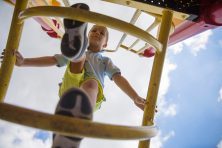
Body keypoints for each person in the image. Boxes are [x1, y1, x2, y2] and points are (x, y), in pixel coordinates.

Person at [1, 3, 146, 148]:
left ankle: (71, 131)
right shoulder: (80, 51)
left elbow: (118, 78)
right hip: (70, 85)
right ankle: (76, 47)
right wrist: (24, 62)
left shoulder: (105, 60)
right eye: (94, 30)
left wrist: (134, 97)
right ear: (88, 35)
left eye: (102, 34)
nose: (97, 33)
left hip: (90, 97)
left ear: (105, 45)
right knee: (79, 57)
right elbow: (52, 59)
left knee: (91, 83)